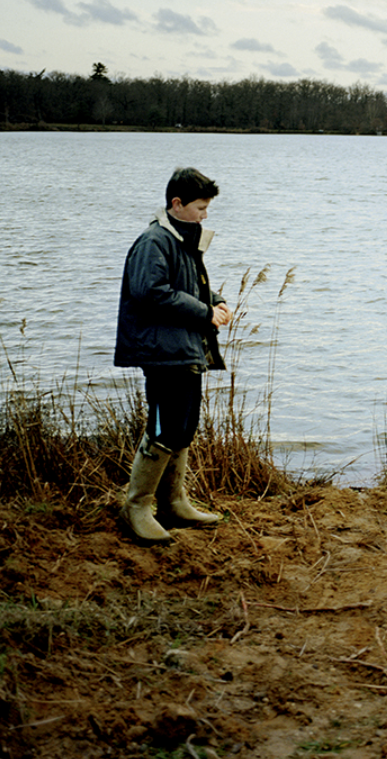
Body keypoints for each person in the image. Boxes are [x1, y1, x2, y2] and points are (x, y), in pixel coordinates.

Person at [114, 166, 232, 542]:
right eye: (200, 207)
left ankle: (173, 503)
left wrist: (217, 301)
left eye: (207, 207)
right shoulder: (154, 241)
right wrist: (204, 313)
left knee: (183, 426)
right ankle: (137, 507)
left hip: (184, 348)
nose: (205, 214)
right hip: (162, 352)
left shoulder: (183, 239)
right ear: (176, 203)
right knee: (164, 428)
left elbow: (188, 287)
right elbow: (152, 292)